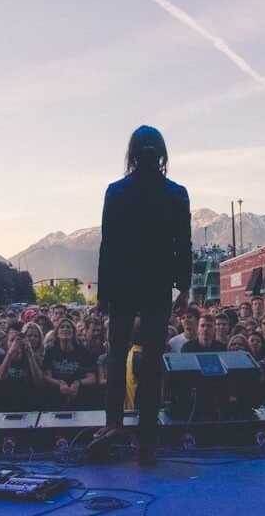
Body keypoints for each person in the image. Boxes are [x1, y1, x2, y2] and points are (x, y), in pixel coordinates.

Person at [94, 125, 190, 466]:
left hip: (122, 286)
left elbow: (108, 245)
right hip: (158, 287)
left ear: (131, 154)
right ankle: (147, 442)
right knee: (151, 362)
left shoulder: (116, 192)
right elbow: (184, 245)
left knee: (117, 356)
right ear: (162, 153)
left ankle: (112, 427)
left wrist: (103, 296)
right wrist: (185, 288)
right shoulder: (176, 193)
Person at [43, 318, 97, 409]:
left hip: (79, 400)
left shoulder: (83, 351)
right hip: (55, 400)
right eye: (62, 327)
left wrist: (78, 383)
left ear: (73, 332)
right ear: (57, 333)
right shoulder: (50, 351)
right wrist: (59, 384)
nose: (65, 329)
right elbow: (46, 377)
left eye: (68, 327)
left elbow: (92, 378)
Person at [0, 329, 43, 411]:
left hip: (27, 404)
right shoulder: (0, 358)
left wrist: (30, 354)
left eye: (18, 340)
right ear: (7, 343)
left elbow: (39, 381)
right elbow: (1, 376)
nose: (15, 343)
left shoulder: (31, 359)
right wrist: (10, 353)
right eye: (12, 340)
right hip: (6, 404)